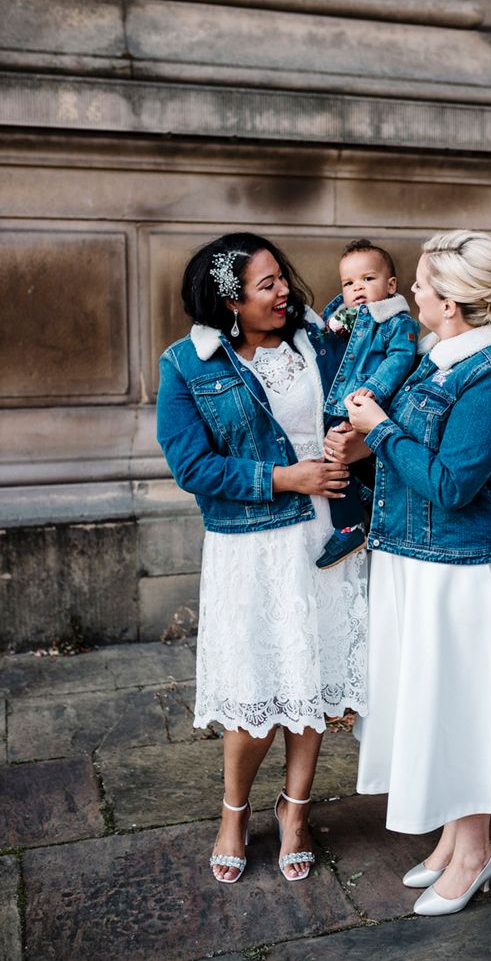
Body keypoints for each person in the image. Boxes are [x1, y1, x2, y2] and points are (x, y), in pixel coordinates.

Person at [340, 229, 491, 917]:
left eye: (422, 286)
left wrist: (378, 429)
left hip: (464, 572)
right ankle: (452, 841)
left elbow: (453, 483)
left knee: (463, 711)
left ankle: (473, 853)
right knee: (437, 707)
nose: (409, 292)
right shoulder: (435, 358)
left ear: (453, 306)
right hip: (419, 563)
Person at [156, 232, 367, 885]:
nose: (284, 292)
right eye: (266, 286)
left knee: (315, 683)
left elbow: (375, 411)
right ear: (230, 303)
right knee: (256, 692)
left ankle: (296, 809)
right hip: (252, 547)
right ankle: (234, 811)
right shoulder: (186, 365)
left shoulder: (323, 338)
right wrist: (286, 478)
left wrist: (355, 453)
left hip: (328, 532)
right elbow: (192, 465)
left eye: (282, 277)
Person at [317, 239, 419, 569]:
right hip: (337, 404)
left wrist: (372, 389)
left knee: (348, 460)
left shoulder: (396, 322)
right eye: (349, 283)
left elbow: (399, 358)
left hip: (366, 404)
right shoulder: (341, 320)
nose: (357, 287)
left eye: (367, 279)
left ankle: (351, 525)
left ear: (391, 286)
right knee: (336, 461)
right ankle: (355, 515)